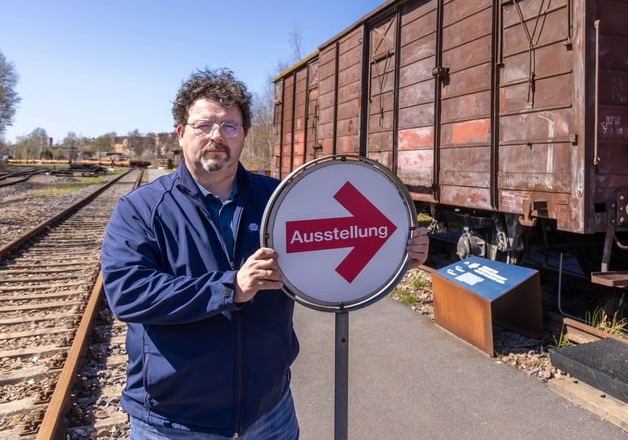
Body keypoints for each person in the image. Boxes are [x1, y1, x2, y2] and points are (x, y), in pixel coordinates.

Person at [101, 68, 430, 438]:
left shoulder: (280, 198)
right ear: (181, 134)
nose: (216, 136)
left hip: (269, 412)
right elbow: (127, 293)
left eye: (229, 126)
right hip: (175, 420)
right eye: (203, 125)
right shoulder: (142, 208)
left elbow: (336, 239)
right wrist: (230, 288)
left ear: (243, 136)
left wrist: (397, 251)